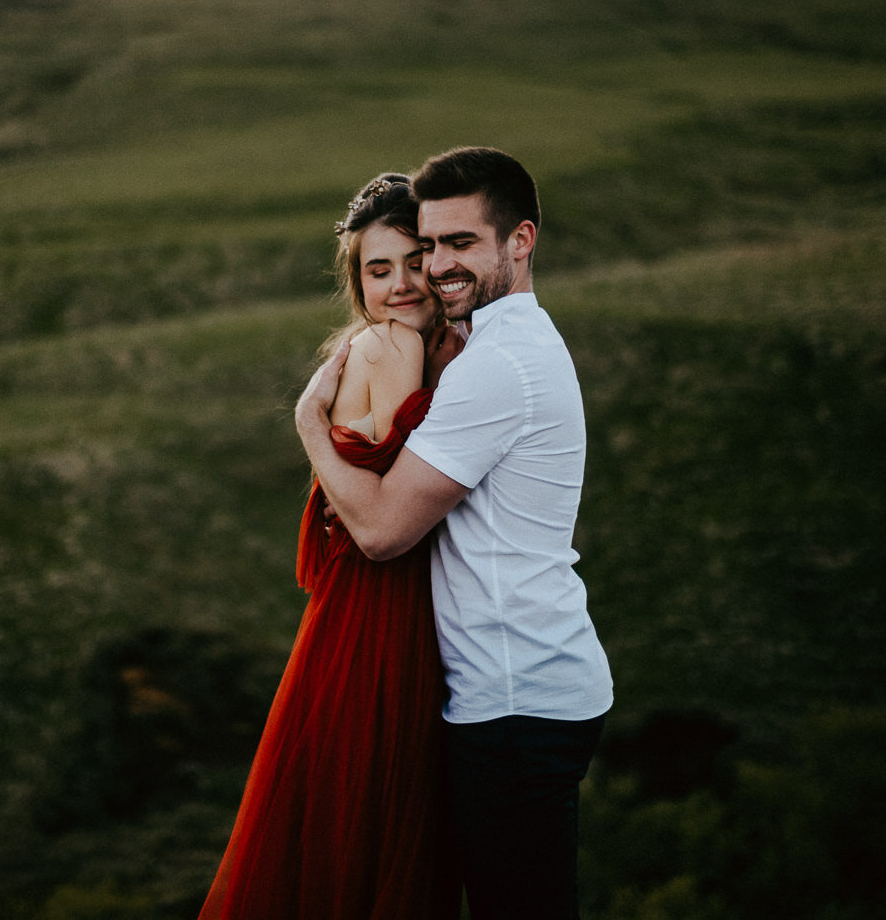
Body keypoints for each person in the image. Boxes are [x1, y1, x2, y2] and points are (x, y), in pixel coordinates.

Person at [295, 147, 615, 920]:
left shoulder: (495, 364)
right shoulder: (497, 345)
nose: (437, 266)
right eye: (430, 243)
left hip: (515, 701)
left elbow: (378, 531)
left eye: (460, 243)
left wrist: (308, 423)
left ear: (521, 240)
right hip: (523, 686)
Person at [198, 173, 463, 920]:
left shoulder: (389, 345)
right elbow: (381, 513)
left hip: (364, 611)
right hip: (382, 614)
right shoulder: (390, 347)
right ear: (358, 283)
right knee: (370, 836)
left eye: (416, 260)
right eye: (380, 270)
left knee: (349, 835)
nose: (403, 283)